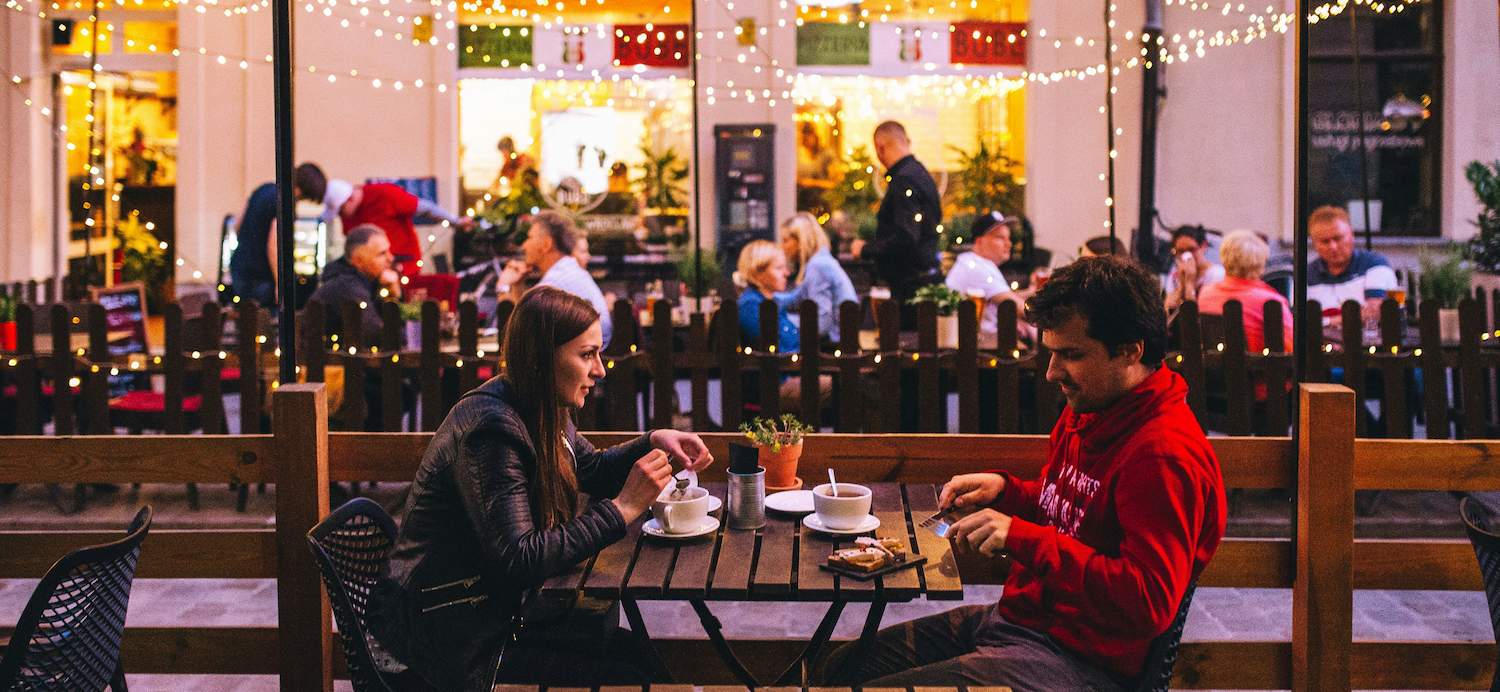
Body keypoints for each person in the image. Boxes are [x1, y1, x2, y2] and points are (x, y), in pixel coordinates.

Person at [817, 255, 1227, 690]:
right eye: (1051, 353)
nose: (1053, 373)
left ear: (1130, 350)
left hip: (1084, 663)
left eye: (1071, 354)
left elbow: (1148, 600)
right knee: (841, 668)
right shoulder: (1094, 407)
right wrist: (1007, 493)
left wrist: (1020, 537)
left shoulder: (1162, 454)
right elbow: (1072, 510)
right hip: (1021, 622)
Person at [370, 286, 715, 691]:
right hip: (448, 640)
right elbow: (519, 557)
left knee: (636, 659)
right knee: (627, 675)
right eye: (587, 355)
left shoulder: (537, 405)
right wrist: (623, 509)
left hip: (485, 615)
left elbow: (591, 468)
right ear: (541, 359)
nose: (600, 370)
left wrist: (653, 439)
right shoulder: (492, 429)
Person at [850, 121, 942, 317]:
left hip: (909, 289)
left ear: (880, 148)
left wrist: (865, 249)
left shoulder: (903, 180)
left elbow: (906, 236)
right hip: (924, 283)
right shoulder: (922, 175)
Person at [737, 240, 830, 413]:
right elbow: (780, 351)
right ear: (758, 272)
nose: (787, 273)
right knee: (848, 384)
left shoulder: (770, 302)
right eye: (779, 268)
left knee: (853, 381)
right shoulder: (751, 306)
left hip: (793, 377)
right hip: (776, 387)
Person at [498, 211, 613, 346]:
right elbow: (526, 318)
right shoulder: (569, 270)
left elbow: (516, 336)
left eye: (530, 238)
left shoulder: (553, 284)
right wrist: (518, 285)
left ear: (546, 244)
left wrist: (503, 286)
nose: (524, 245)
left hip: (580, 361)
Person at [324, 179, 474, 279]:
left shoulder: (384, 194)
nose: (340, 215)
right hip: (370, 274)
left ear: (349, 200)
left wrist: (455, 221)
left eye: (340, 210)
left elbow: (424, 208)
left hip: (404, 268)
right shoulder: (348, 216)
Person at [229, 162, 327, 308]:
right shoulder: (285, 202)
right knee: (268, 323)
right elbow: (275, 245)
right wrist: (280, 284)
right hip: (262, 274)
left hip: (240, 266)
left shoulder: (263, 189)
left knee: (247, 319)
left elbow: (237, 224)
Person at [1198, 230, 1294, 353]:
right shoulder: (1271, 301)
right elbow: (1292, 347)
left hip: (1213, 370)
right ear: (1260, 263)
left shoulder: (1206, 294)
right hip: (1259, 369)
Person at [944, 211, 1033, 343]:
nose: (1008, 244)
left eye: (1009, 238)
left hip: (974, 343)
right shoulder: (976, 268)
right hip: (978, 346)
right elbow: (1020, 308)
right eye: (1000, 238)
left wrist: (1032, 291)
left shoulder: (972, 262)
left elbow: (1006, 298)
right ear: (979, 241)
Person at [307, 224, 400, 341]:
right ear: (358, 259)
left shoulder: (369, 283)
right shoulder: (347, 286)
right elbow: (374, 334)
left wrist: (393, 295)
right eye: (382, 253)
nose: (390, 258)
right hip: (325, 358)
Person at [1306, 205, 1397, 324]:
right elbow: (1296, 320)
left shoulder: (1375, 264)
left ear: (1351, 235)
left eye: (1337, 238)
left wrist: (1324, 322)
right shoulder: (1306, 274)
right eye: (1325, 241)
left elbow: (1374, 314)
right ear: (1314, 244)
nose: (1333, 247)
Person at [778, 213, 858, 344]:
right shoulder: (820, 261)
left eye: (786, 240)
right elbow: (797, 296)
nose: (782, 246)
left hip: (833, 345)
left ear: (800, 241)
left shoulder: (818, 266)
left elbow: (822, 323)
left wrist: (783, 322)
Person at [1163, 225, 1225, 312]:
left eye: (1191, 250)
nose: (1186, 256)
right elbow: (1168, 310)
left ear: (1203, 246)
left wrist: (1189, 286)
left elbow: (1202, 315)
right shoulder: (1175, 275)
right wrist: (1181, 287)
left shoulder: (1217, 274)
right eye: (1180, 251)